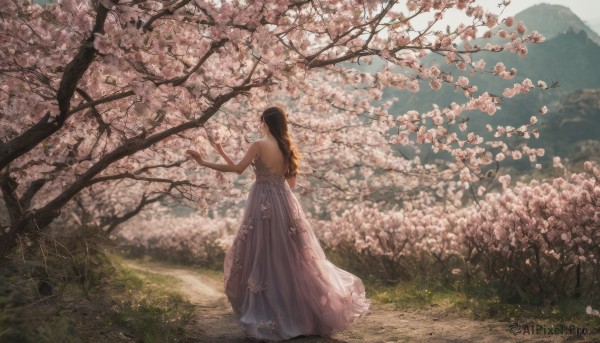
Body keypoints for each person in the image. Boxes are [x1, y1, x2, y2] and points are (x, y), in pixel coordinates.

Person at [185, 107, 370, 341]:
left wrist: (204, 162)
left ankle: (272, 311)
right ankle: (302, 314)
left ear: (264, 122)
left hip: (262, 202)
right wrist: (221, 151)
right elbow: (290, 185)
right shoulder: (287, 147)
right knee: (293, 257)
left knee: (263, 255)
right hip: (285, 203)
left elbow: (238, 169)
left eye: (259, 120)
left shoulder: (258, 145)